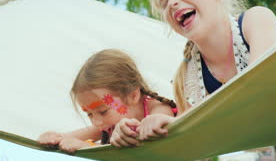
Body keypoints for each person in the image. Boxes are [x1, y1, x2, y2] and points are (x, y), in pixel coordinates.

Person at [142, 0, 276, 140]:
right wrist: (149, 126)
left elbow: (259, 86)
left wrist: (182, 120)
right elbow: (195, 132)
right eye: (163, 2)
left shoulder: (256, 20)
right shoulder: (189, 77)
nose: (171, 3)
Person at [37, 49, 177, 153]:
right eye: (89, 114)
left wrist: (88, 147)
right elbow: (66, 139)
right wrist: (53, 138)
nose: (96, 122)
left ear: (133, 96)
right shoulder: (107, 124)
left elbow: (142, 151)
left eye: (103, 111)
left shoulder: (159, 111)